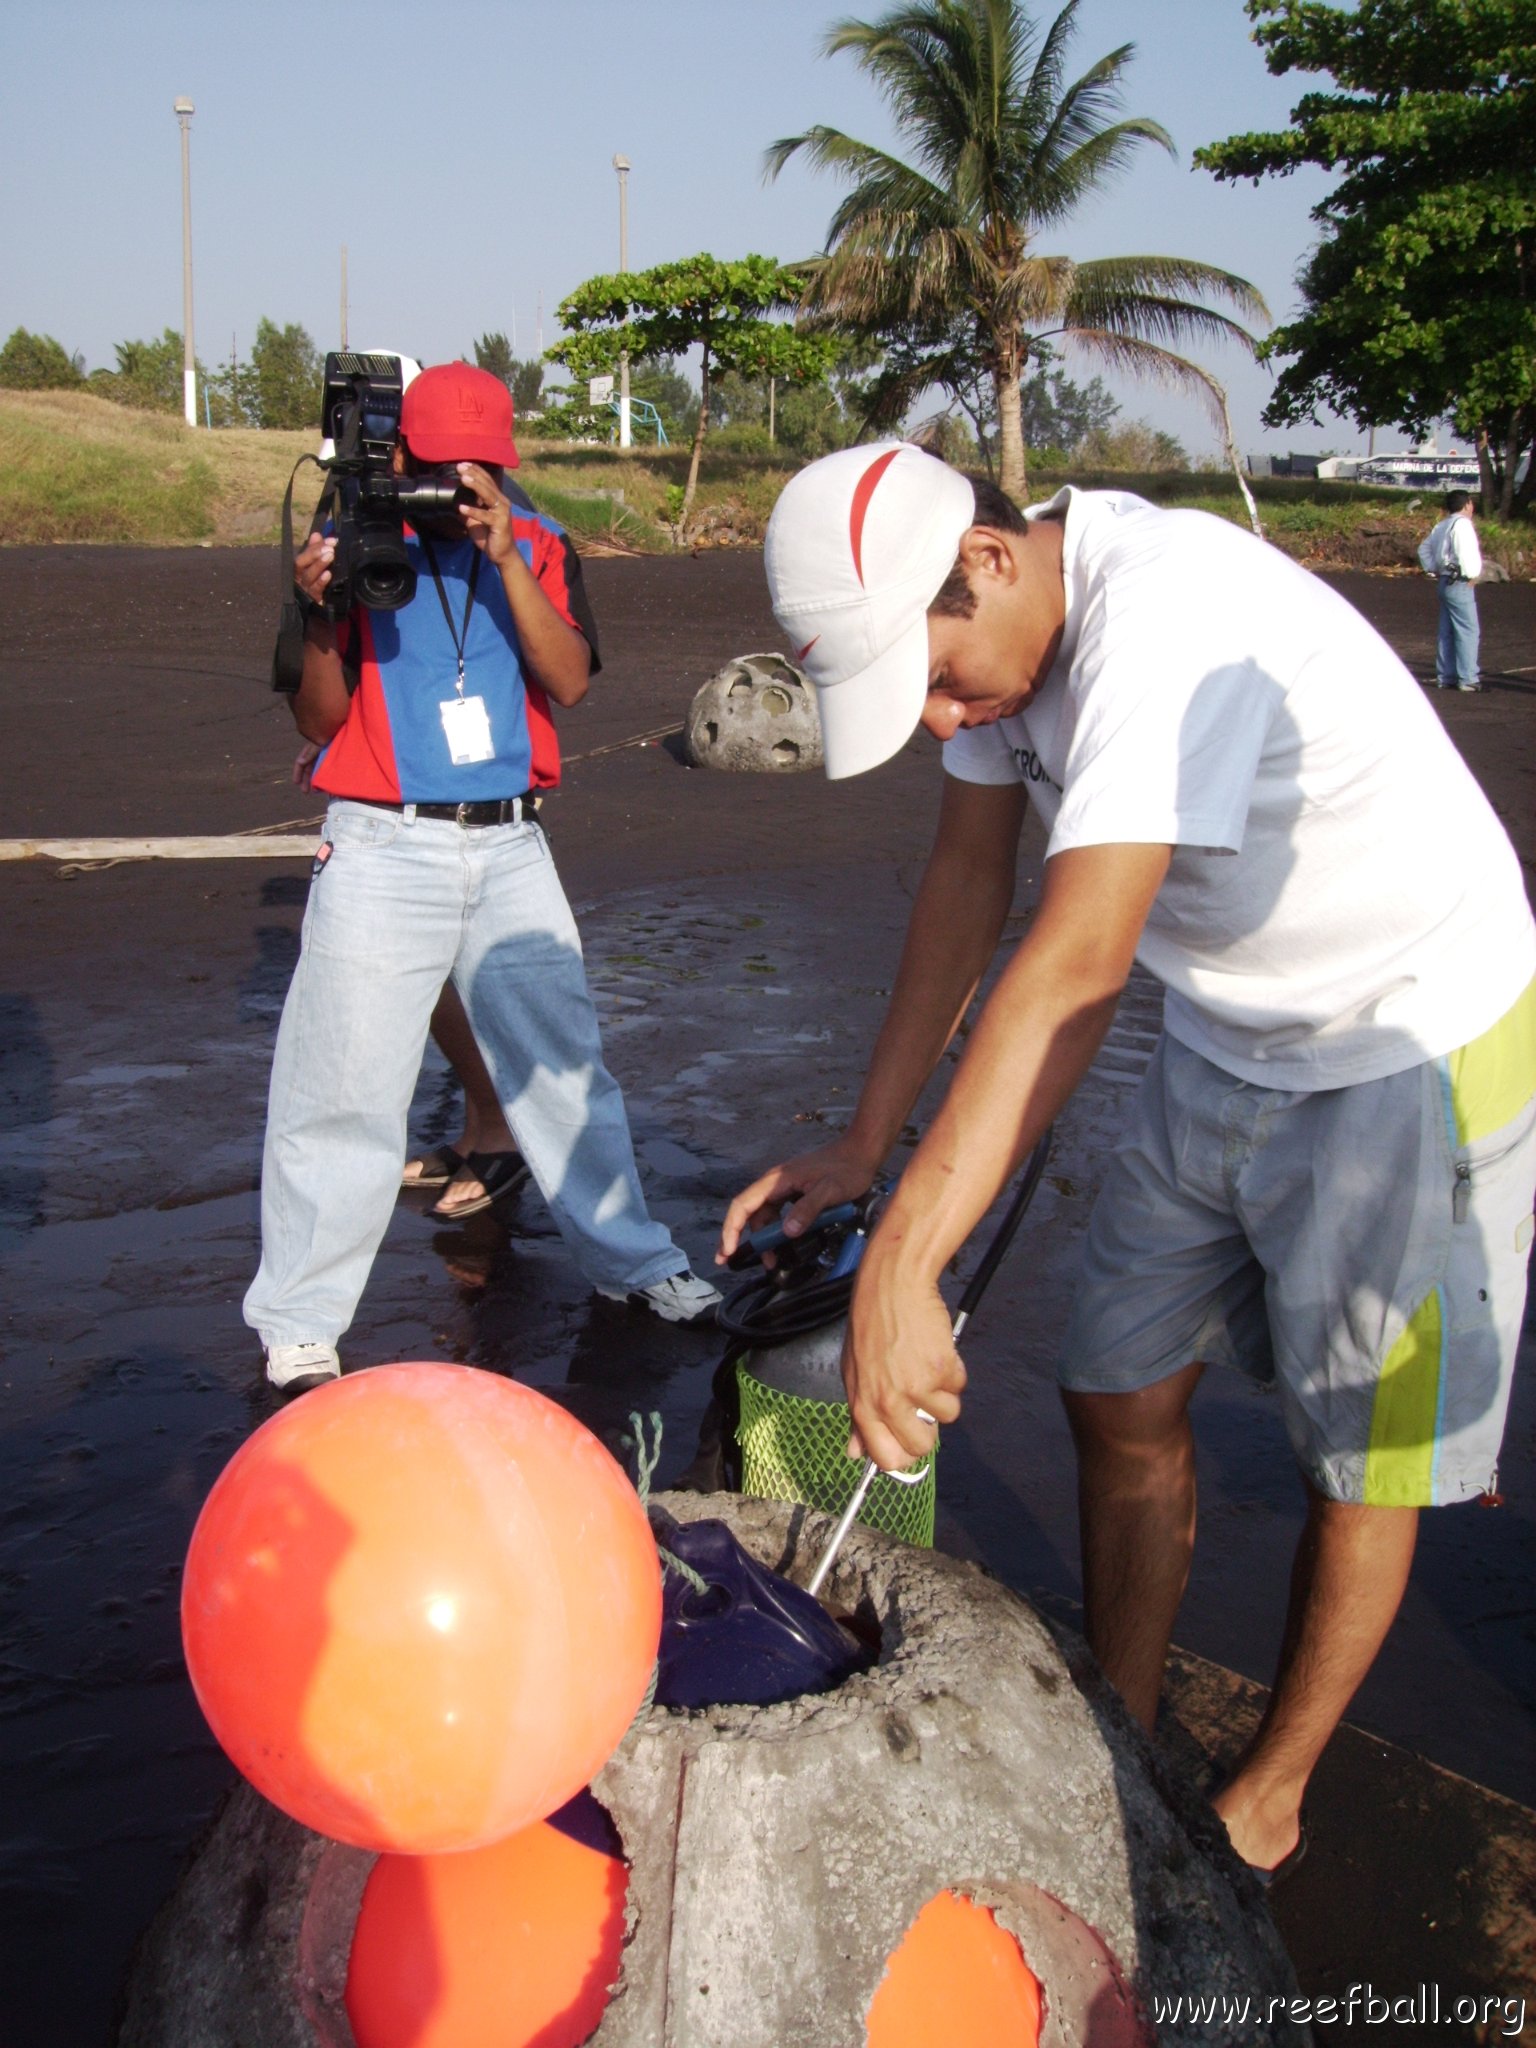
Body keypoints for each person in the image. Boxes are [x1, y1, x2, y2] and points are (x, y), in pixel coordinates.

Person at [719, 443, 1536, 1882]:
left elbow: (1082, 954)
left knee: (1365, 1462)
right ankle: (1121, 1722)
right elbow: (974, 883)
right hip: (1232, 1027)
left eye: (931, 676)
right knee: (1115, 1384)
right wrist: (868, 1141)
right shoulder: (998, 658)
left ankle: (1272, 1790)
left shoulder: (1166, 609)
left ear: (986, 557)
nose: (931, 720)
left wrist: (907, 1261)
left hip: (1409, 1032)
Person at [245, 362, 719, 1395]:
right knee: (342, 1087)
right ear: (400, 453)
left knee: (565, 1071)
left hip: (510, 845)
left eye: (482, 467)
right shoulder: (361, 540)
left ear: (504, 462)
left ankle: (636, 1264)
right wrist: (318, 607)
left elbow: (571, 679)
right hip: (382, 840)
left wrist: (505, 556)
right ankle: (300, 1319)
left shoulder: (540, 542)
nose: (457, 486)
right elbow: (319, 720)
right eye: (437, 464)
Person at [1417, 489, 1483, 690]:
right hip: (1459, 581)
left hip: (1445, 580)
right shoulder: (1462, 525)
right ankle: (1468, 678)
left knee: (1446, 631)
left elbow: (1423, 549)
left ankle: (1446, 677)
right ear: (1467, 504)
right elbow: (1465, 550)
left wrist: (1433, 568)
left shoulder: (1442, 525)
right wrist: (1472, 574)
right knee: (1468, 630)